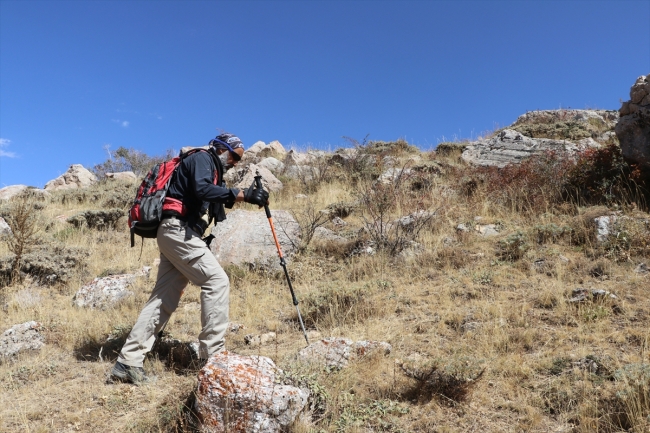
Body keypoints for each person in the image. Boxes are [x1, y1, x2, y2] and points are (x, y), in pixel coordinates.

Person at [110, 133, 269, 384]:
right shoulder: (203, 158)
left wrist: (244, 196)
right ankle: (214, 357)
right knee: (216, 282)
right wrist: (242, 194)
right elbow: (202, 188)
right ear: (222, 148)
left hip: (176, 232)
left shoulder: (209, 166)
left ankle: (127, 363)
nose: (236, 163)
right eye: (235, 156)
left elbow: (208, 196)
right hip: (177, 230)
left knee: (163, 299)